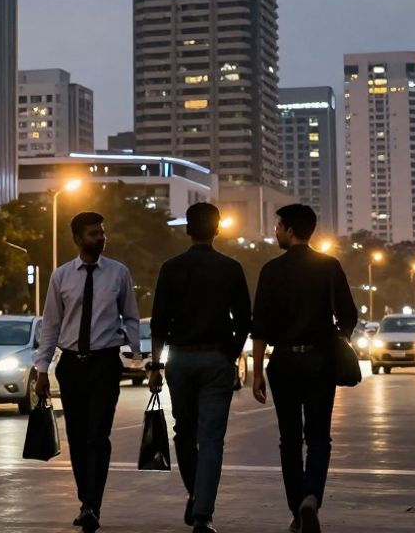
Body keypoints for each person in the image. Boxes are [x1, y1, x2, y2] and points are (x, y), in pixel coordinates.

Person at [250, 204, 357, 533]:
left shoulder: (271, 270)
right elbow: (349, 315)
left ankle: (297, 510)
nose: (275, 232)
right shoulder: (329, 266)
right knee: (319, 437)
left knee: (290, 439)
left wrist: (256, 373)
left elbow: (260, 328)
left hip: (283, 363)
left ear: (289, 229)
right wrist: (336, 337)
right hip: (320, 360)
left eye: (277, 226)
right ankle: (312, 496)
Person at [35, 211, 142, 533]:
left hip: (105, 363)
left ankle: (92, 504)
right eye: (94, 233)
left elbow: (132, 318)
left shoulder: (119, 273)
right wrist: (42, 369)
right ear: (78, 239)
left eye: (102, 232)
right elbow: (51, 325)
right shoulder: (61, 277)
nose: (101, 238)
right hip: (71, 364)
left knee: (98, 436)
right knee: (78, 439)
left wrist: (136, 357)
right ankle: (86, 502)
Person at [148, 202, 251, 533]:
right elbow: (245, 320)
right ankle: (203, 513)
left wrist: (155, 366)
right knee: (211, 440)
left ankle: (196, 493)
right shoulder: (231, 268)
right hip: (216, 359)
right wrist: (230, 355)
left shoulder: (171, 268)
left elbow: (159, 323)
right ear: (217, 229)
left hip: (180, 358)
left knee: (184, 431)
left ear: (187, 229)